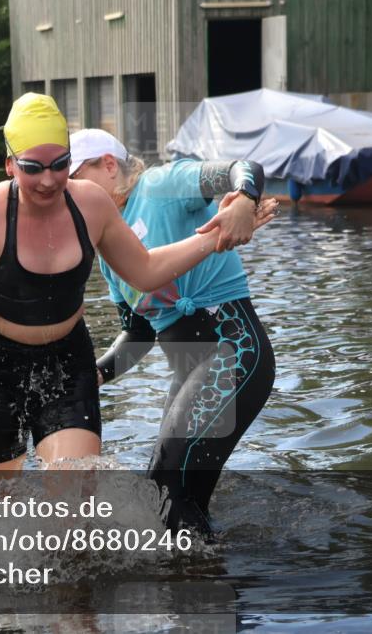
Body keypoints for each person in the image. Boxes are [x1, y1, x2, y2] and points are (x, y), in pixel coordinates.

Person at [0, 94, 277, 503]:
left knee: (76, 516)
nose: (48, 180)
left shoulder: (93, 205)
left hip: (65, 363)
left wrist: (219, 234)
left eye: (60, 164)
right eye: (33, 167)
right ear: (9, 165)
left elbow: (146, 270)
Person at [69, 129, 277, 536]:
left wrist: (244, 201)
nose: (69, 195)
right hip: (190, 371)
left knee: (167, 489)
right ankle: (202, 579)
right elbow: (139, 333)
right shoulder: (108, 248)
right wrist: (97, 373)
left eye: (75, 179)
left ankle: (195, 580)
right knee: (165, 497)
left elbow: (243, 169)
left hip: (233, 351)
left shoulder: (161, 186)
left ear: (108, 165)